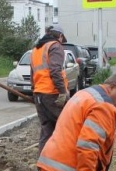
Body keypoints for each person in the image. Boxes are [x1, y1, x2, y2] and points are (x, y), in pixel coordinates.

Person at [31, 24, 68, 154]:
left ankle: (44, 162)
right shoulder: (55, 46)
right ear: (60, 36)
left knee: (46, 129)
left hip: (39, 94)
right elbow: (55, 71)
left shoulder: (36, 49)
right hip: (52, 94)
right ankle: (62, 159)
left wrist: (34, 94)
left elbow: (33, 74)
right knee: (65, 126)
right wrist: (62, 92)